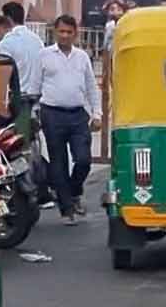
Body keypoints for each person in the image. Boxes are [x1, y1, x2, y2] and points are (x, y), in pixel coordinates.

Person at [36, 14, 101, 224]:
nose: (64, 35)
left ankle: (74, 192)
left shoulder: (82, 57)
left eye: (69, 32)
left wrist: (97, 113)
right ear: (55, 32)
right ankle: (67, 210)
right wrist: (33, 112)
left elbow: (91, 86)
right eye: (61, 31)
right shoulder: (43, 55)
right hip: (51, 113)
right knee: (59, 163)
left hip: (77, 114)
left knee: (83, 160)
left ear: (75, 34)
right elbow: (35, 85)